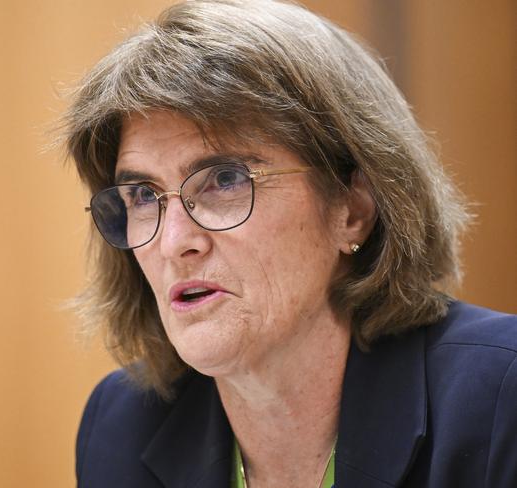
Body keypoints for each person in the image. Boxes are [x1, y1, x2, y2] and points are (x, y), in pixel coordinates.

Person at [59, 1, 517, 486]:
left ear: (353, 209)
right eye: (143, 195)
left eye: (225, 179)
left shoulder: (499, 399)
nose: (174, 243)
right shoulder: (121, 424)